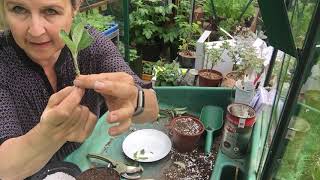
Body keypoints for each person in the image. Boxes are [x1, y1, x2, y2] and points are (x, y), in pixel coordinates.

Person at [0, 0, 159, 179]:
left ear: (74, 8)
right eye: (19, 9)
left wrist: (135, 101)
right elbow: (5, 168)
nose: (36, 31)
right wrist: (52, 134)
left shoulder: (90, 43)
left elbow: (152, 110)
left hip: (92, 160)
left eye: (51, 11)